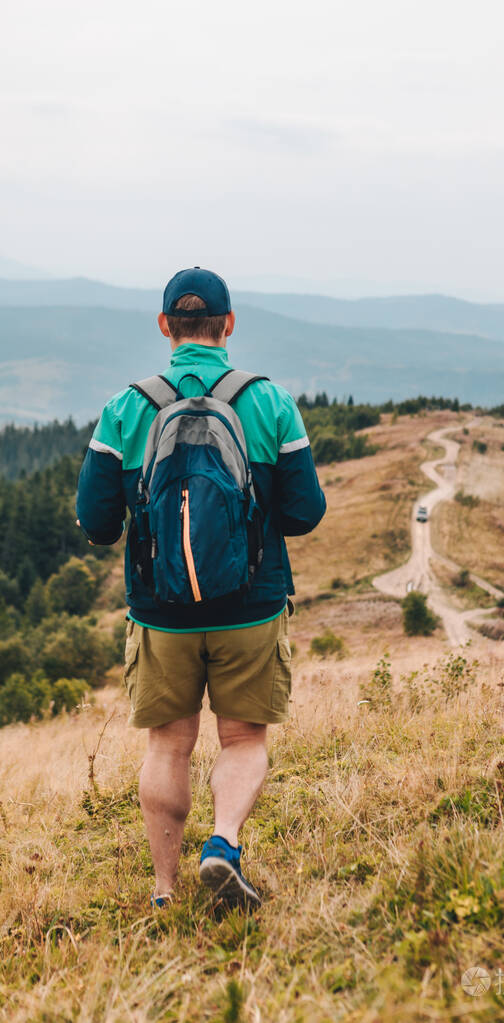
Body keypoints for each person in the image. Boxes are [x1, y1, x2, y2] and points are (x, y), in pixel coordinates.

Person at [76, 267, 326, 909]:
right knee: (242, 739)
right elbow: (304, 513)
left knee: (168, 745)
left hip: (160, 613)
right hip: (251, 607)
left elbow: (98, 524)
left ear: (165, 326)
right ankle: (223, 844)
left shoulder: (125, 409)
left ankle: (164, 890)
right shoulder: (270, 403)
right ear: (228, 324)